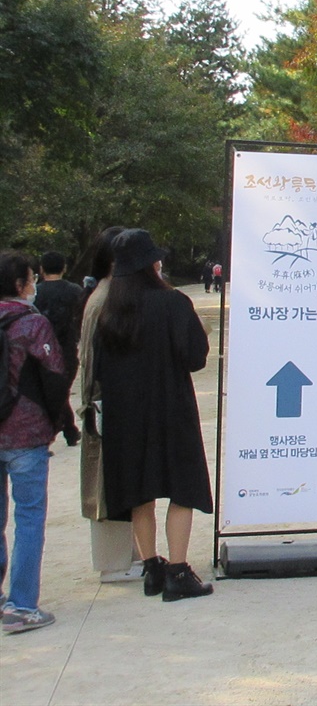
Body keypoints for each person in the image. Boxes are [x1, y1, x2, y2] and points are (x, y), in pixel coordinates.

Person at [95, 228, 214, 602]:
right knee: (182, 486)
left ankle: (152, 568)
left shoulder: (108, 313)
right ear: (151, 265)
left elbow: (99, 369)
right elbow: (195, 358)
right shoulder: (174, 304)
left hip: (125, 416)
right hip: (170, 408)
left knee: (139, 491)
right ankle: (179, 571)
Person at [0, 250, 71, 634]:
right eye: (31, 278)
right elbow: (54, 375)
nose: (34, 284)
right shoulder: (31, 324)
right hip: (25, 432)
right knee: (28, 517)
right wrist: (57, 419)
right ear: (19, 284)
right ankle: (22, 605)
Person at [77, 226, 141, 583]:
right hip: (104, 406)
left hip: (108, 404)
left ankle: (126, 556)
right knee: (105, 485)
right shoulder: (104, 301)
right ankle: (115, 561)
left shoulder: (106, 295)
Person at [34, 251, 85, 383]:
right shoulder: (76, 291)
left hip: (41, 349)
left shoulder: (35, 292)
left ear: (41, 269)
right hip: (68, 347)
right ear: (64, 267)